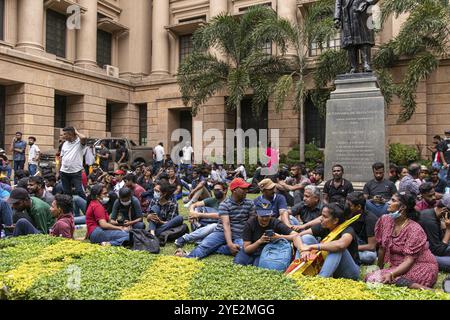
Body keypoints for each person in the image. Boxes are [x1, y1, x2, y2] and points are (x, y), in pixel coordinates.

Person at [365, 192, 438, 289]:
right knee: (371, 277)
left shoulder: (414, 229)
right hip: (399, 267)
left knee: (386, 278)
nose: (388, 203)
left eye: (393, 201)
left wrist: (391, 274)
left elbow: (409, 260)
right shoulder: (385, 220)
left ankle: (419, 287)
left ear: (403, 207)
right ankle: (404, 282)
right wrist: (379, 269)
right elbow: (382, 248)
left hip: (421, 266)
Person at [186, 178, 255, 259]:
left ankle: (215, 249)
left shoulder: (250, 203)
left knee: (244, 249)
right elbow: (226, 225)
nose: (246, 190)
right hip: (221, 232)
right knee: (203, 247)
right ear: (234, 190)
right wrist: (230, 244)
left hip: (240, 235)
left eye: (246, 188)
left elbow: (251, 222)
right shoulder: (225, 204)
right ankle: (188, 257)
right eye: (243, 188)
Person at [298, 203, 360, 280]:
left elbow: (341, 245)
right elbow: (298, 236)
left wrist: (311, 246)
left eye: (325, 217)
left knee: (336, 248)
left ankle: (320, 280)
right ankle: (299, 271)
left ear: (335, 220)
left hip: (349, 273)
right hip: (328, 264)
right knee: (306, 238)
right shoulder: (324, 225)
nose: (321, 219)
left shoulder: (348, 230)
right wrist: (303, 250)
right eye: (321, 215)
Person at [234, 199, 302, 267]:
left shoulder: (275, 222)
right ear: (257, 214)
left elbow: (296, 235)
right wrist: (259, 241)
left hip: (267, 251)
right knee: (238, 263)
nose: (265, 219)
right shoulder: (250, 224)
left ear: (271, 214)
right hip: (251, 249)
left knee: (260, 266)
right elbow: (247, 249)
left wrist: (279, 237)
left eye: (267, 216)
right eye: (262, 216)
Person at [175, 182, 228, 251]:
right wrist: (192, 213)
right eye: (215, 190)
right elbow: (194, 205)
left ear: (225, 190)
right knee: (197, 209)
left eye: (218, 190)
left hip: (219, 227)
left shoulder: (229, 202)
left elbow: (220, 215)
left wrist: (199, 215)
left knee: (213, 226)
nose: (216, 192)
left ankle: (185, 238)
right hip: (202, 225)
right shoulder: (213, 200)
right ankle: (199, 236)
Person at [334, 0, 375, 73]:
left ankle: (366, 64)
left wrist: (367, 2)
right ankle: (353, 67)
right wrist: (337, 18)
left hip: (362, 14)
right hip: (347, 16)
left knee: (364, 40)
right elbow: (338, 3)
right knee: (350, 43)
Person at [419, 194, 450, 272]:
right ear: (445, 210)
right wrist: (448, 230)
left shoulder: (433, 213)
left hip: (434, 247)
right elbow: (438, 251)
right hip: (422, 255)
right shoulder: (430, 221)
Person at [346, 192, 378, 265]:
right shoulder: (349, 212)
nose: (347, 206)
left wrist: (351, 248)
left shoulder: (370, 219)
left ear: (359, 207)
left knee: (370, 256)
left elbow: (371, 246)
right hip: (350, 240)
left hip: (363, 247)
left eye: (349, 205)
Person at [59, 127, 87, 199]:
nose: (63, 136)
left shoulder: (79, 142)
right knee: (67, 192)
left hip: (76, 172)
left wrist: (76, 132)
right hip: (64, 172)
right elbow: (61, 157)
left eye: (65, 134)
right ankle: (70, 208)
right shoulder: (64, 144)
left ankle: (87, 206)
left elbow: (84, 137)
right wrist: (58, 171)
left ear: (70, 134)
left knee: (79, 191)